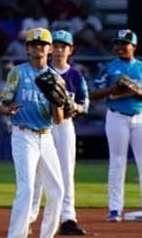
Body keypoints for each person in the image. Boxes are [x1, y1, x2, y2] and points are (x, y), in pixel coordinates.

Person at [90, 29, 142, 222]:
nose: (120, 47)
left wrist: (138, 91)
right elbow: (93, 93)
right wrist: (112, 89)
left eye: (124, 44)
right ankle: (115, 209)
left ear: (134, 46)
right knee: (117, 162)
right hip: (116, 115)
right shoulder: (108, 67)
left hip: (140, 116)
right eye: (117, 44)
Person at [0, 27, 65, 238]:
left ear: (50, 49)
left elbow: (59, 119)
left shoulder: (56, 78)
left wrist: (57, 104)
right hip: (24, 134)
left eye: (43, 44)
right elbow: (3, 103)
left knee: (57, 190)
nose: (39, 47)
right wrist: (8, 109)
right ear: (27, 49)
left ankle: (47, 235)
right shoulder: (18, 72)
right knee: (27, 189)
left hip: (46, 136)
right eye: (34, 44)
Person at [28, 30, 89, 235]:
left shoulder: (75, 75)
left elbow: (84, 104)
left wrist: (75, 107)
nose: (59, 50)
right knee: (36, 173)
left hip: (65, 126)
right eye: (56, 46)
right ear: (50, 48)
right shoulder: (41, 71)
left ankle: (68, 218)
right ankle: (29, 217)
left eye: (63, 46)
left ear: (70, 50)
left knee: (66, 171)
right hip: (42, 124)